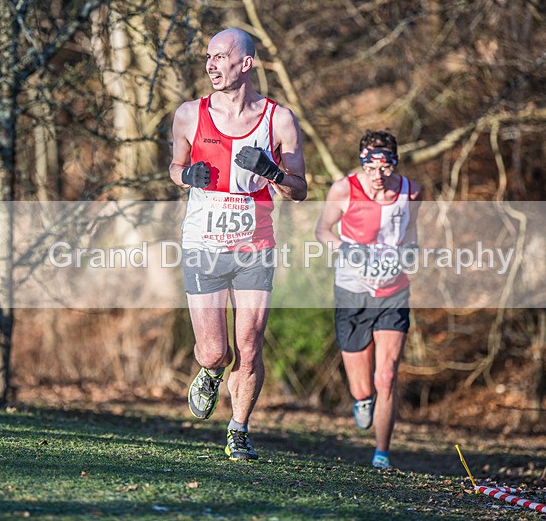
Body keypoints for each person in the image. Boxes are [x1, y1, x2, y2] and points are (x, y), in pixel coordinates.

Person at [168, 28, 307, 461]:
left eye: (220, 56)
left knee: (250, 343)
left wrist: (273, 171)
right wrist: (186, 176)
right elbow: (175, 166)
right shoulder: (190, 114)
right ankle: (210, 372)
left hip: (255, 244)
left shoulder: (278, 120)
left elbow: (300, 189)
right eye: (207, 57)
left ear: (245, 63)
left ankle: (238, 428)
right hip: (203, 243)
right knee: (216, 350)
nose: (210, 64)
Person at [315, 130, 420, 469]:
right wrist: (347, 251)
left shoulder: (412, 192)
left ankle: (382, 454)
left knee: (386, 376)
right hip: (352, 292)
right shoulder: (344, 189)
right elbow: (322, 230)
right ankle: (362, 400)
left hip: (393, 292)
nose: (378, 177)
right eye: (370, 168)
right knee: (363, 388)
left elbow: (412, 234)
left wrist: (410, 254)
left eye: (385, 167)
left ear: (395, 163)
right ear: (361, 163)